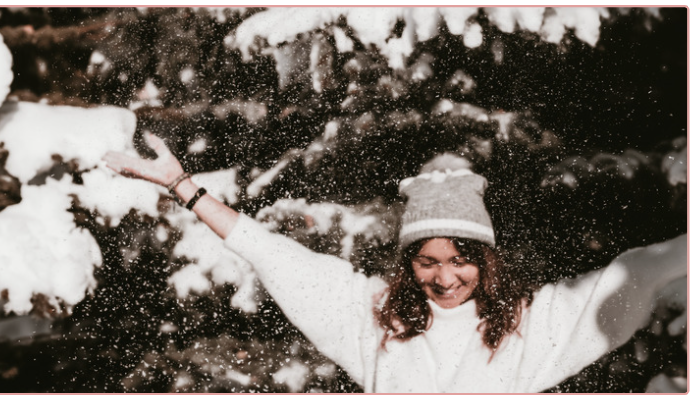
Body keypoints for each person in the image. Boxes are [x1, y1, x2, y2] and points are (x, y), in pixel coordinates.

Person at [103, 132, 687, 393]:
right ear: (408, 264)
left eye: (460, 260)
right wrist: (183, 186)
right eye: (427, 262)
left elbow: (636, 272)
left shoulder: (526, 326)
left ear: (484, 259)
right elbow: (270, 251)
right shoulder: (372, 319)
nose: (444, 277)